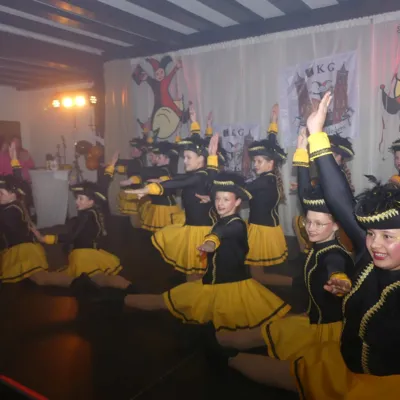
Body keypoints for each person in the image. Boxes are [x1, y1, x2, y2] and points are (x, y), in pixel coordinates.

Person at [217, 92, 400, 399]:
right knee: (253, 360)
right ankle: (226, 353)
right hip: (342, 359)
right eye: (370, 234)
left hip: (374, 385)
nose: (375, 245)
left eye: (388, 237)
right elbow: (338, 199)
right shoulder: (368, 254)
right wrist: (315, 136)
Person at [217, 130, 354, 363]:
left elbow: (336, 264)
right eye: (309, 222)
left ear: (335, 225)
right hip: (312, 315)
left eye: (318, 223)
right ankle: (227, 343)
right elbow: (304, 192)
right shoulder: (318, 243)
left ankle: (231, 353)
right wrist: (300, 151)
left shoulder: (333, 253)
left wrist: (339, 278)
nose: (310, 228)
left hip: (324, 332)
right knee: (239, 339)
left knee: (245, 358)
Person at [123, 172, 290, 331]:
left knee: (233, 334)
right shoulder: (220, 219)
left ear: (238, 202)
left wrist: (210, 242)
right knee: (164, 301)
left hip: (234, 290)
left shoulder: (237, 224)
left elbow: (221, 233)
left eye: (226, 199)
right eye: (217, 198)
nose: (220, 203)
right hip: (210, 285)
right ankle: (122, 299)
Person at [31, 152, 133, 291]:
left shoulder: (85, 216)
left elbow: (71, 236)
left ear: (90, 201)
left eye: (80, 199)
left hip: (83, 255)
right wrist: (111, 167)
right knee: (98, 279)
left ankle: (127, 289)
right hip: (93, 252)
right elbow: (103, 185)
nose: (76, 202)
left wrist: (46, 238)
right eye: (77, 198)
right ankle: (128, 287)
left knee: (80, 279)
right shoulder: (96, 207)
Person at [126, 132, 218, 281]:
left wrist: (149, 189)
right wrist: (162, 181)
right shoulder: (200, 173)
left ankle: (196, 294)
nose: (185, 161)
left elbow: (181, 182)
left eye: (188, 157)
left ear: (201, 159)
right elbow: (179, 178)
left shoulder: (200, 176)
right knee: (195, 272)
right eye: (184, 157)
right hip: (193, 226)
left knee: (197, 273)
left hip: (201, 231)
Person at [293, 130, 355, 254]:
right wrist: (301, 149)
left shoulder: (338, 180)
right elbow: (307, 197)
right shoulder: (322, 177)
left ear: (339, 158)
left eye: (327, 156)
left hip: (334, 233)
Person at [245, 110, 288, 284]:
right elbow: (271, 147)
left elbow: (241, 189)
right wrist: (273, 124)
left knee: (257, 275)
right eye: (254, 161)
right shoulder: (269, 178)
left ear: (270, 163)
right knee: (256, 274)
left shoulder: (265, 181)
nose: (255, 165)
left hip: (261, 230)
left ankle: (295, 284)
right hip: (263, 227)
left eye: (258, 162)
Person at [137, 141, 181, 232]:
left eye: (158, 157)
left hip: (165, 209)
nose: (155, 158)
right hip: (157, 205)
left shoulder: (166, 170)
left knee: (164, 234)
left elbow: (149, 172)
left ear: (165, 158)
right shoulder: (161, 169)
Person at [116, 137, 147, 227]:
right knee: (136, 219)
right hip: (136, 191)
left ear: (140, 152)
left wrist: (115, 162)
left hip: (135, 193)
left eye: (135, 149)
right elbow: (127, 165)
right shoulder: (138, 161)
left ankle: (136, 233)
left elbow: (126, 164)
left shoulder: (136, 162)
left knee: (135, 221)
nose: (132, 151)